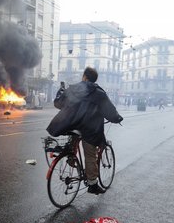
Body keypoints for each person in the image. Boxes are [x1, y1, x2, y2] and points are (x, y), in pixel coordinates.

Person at [47, 67, 123, 195]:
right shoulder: (99, 93)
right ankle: (92, 184)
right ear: (94, 79)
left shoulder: (73, 88)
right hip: (89, 129)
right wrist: (117, 118)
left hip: (71, 125)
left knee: (74, 138)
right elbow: (109, 111)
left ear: (84, 77)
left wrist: (61, 92)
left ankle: (71, 158)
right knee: (90, 154)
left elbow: (59, 104)